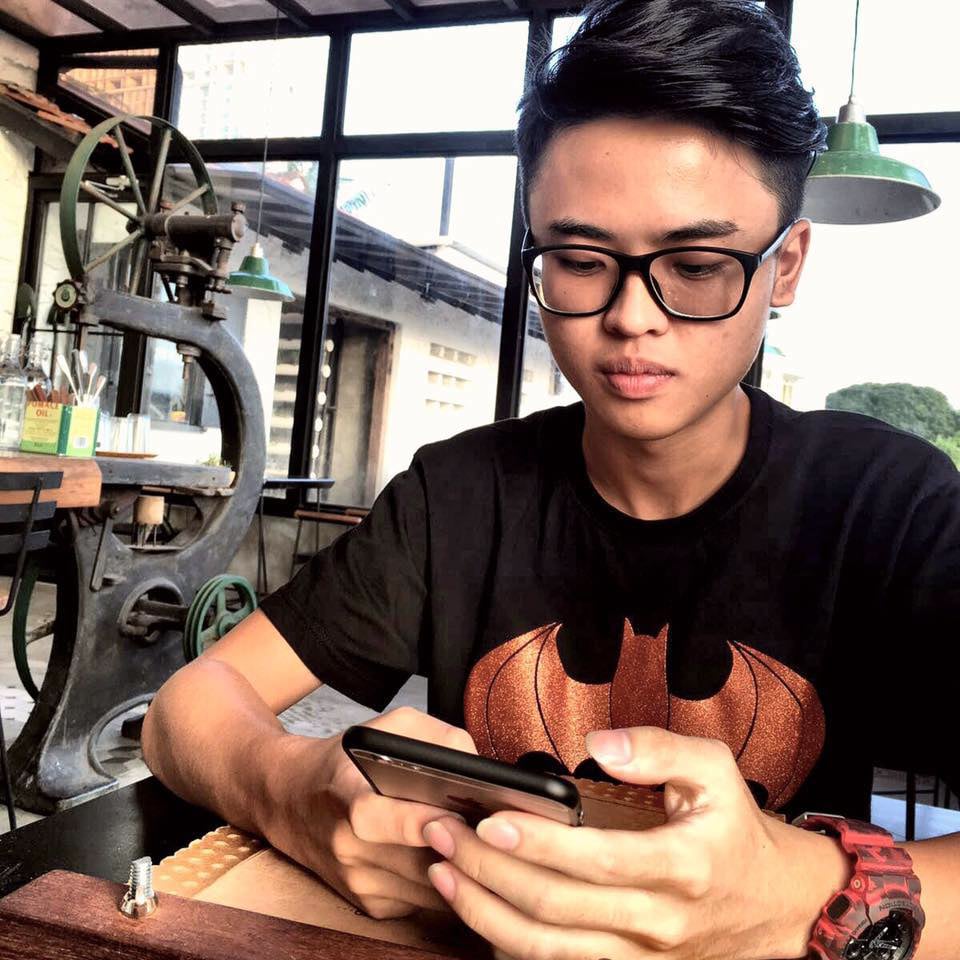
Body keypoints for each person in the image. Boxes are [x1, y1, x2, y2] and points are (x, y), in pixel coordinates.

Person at [143, 1, 960, 957]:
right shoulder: (462, 495)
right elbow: (184, 709)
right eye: (579, 260)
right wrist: (291, 790)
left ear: (785, 267)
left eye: (698, 266)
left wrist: (807, 894)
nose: (631, 316)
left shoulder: (888, 508)